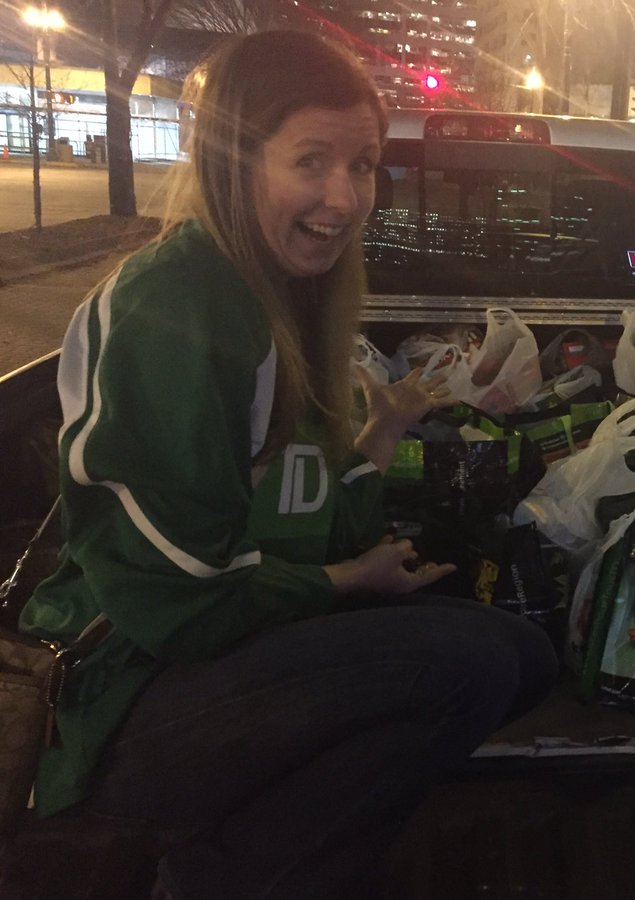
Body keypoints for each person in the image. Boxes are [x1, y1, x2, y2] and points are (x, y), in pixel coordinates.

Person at [18, 29, 558, 900]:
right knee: (468, 665)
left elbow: (310, 523)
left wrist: (378, 441)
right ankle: (219, 878)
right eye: (311, 161)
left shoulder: (290, 301)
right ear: (233, 159)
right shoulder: (175, 306)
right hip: (121, 697)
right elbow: (180, 602)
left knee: (523, 658)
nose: (344, 199)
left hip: (225, 649)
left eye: (364, 165)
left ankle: (246, 848)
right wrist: (347, 581)